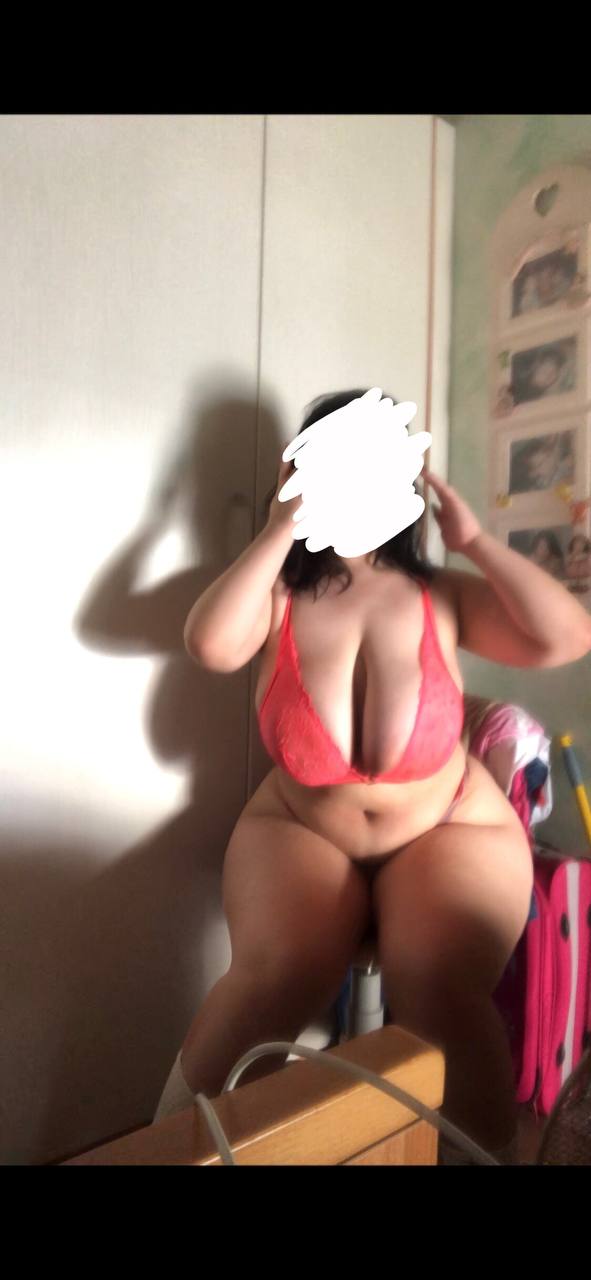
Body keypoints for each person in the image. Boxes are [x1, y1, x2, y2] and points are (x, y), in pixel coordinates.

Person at [153, 389, 591, 1165]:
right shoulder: (279, 596)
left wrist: (475, 541)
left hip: (448, 825)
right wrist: (279, 526)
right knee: (267, 983)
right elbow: (209, 645)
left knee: (440, 994)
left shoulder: (438, 593)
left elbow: (566, 636)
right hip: (300, 826)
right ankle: (168, 1152)